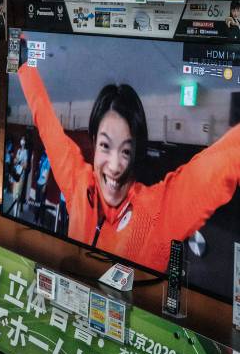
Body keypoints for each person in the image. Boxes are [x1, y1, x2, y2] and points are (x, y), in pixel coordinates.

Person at [15, 60, 240, 272]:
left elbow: (223, 161)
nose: (114, 166)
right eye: (105, 145)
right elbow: (46, 121)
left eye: (126, 151)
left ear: (136, 154)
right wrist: (23, 63)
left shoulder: (159, 211)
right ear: (94, 142)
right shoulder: (78, 181)